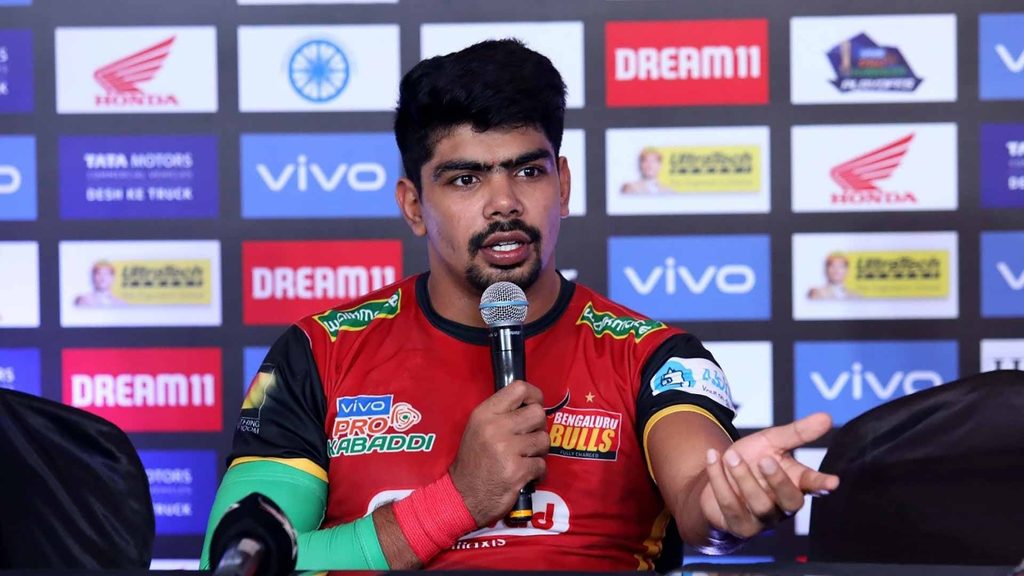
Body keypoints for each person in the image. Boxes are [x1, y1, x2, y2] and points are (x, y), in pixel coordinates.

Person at [200, 39, 839, 571]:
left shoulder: (651, 355)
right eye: (466, 178)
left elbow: (704, 497)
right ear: (414, 205)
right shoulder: (315, 353)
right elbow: (236, 561)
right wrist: (460, 498)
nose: (504, 202)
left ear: (562, 185)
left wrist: (731, 502)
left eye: (528, 172)